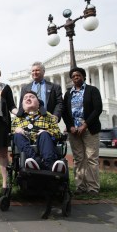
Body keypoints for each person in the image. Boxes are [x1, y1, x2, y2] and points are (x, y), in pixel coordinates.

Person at [62, 67, 102, 196]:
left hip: (89, 129)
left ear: (83, 76)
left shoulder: (92, 90)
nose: (75, 77)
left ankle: (93, 187)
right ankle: (80, 186)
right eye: (73, 76)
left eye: (78, 75)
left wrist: (85, 124)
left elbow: (97, 109)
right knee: (79, 159)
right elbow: (64, 112)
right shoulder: (68, 93)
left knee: (91, 158)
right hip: (74, 131)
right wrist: (70, 126)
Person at [12, 91, 66, 172]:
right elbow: (11, 132)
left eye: (32, 97)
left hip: (45, 142)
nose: (28, 99)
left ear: (38, 103)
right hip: (26, 144)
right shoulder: (17, 119)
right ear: (22, 105)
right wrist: (16, 130)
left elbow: (58, 133)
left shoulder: (49, 116)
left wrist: (48, 132)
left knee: (44, 134)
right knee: (17, 135)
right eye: (25, 98)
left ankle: (49, 164)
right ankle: (35, 161)